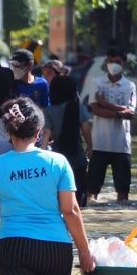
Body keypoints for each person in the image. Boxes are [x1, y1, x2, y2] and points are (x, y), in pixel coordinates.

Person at [0, 98, 96, 275]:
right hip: (56, 251)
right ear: (39, 131)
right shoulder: (58, 162)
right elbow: (70, 211)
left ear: (8, 132)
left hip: (13, 249)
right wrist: (84, 251)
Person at [86, 46, 137, 203]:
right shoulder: (97, 82)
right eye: (111, 61)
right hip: (99, 144)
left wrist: (105, 103)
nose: (113, 64)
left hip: (121, 145)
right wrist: (118, 112)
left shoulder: (130, 86)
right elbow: (95, 109)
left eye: (117, 61)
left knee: (123, 193)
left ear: (124, 63)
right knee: (91, 193)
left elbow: (131, 113)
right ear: (106, 62)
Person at [46, 74, 88, 205]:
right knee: (78, 199)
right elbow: (86, 130)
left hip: (57, 159)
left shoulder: (48, 111)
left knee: (59, 199)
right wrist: (91, 147)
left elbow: (47, 134)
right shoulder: (77, 107)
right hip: (78, 157)